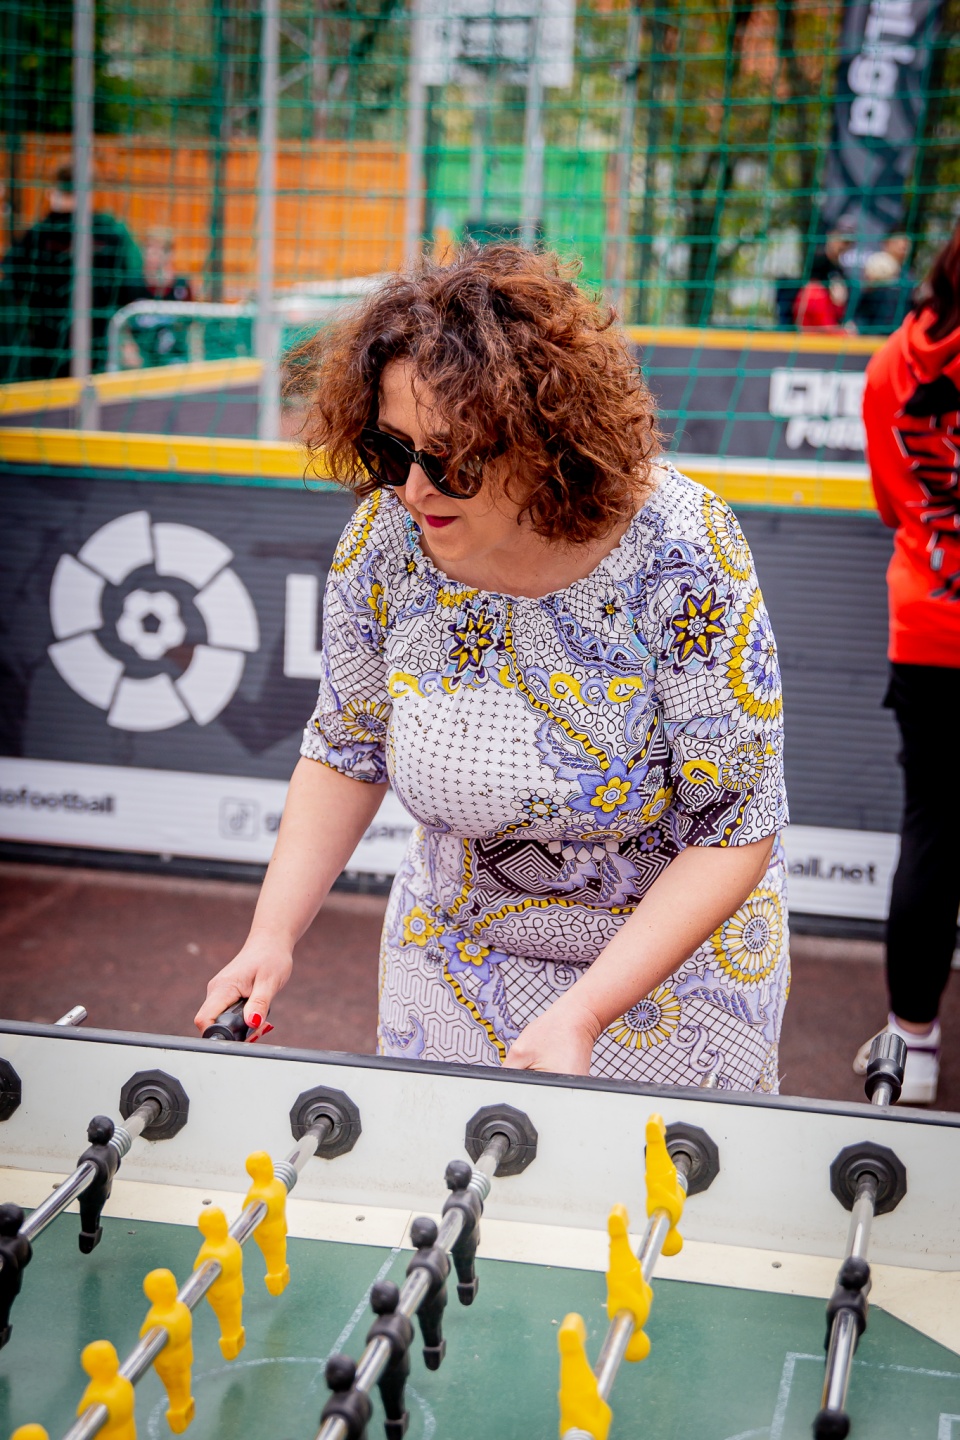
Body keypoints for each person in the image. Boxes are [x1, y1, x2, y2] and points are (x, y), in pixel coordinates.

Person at [195, 245, 790, 1089]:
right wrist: (271, 935)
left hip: (671, 987)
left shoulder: (684, 551)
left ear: (546, 441)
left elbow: (734, 826)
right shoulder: (387, 539)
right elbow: (346, 747)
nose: (414, 489)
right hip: (454, 961)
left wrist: (585, 1012)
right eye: (393, 449)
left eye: (453, 458)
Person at [856, 218, 960, 1104]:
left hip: (928, 629)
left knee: (933, 833)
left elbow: (896, 504)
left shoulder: (893, 360)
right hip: (930, 632)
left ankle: (913, 1046)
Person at [0, 163, 146, 380]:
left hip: (46, 349)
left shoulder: (38, 235)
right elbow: (133, 290)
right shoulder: (111, 232)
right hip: (95, 347)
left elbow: (11, 285)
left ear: (54, 190)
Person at [128, 227, 194, 367]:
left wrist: (195, 362)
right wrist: (128, 349)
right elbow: (121, 325)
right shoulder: (132, 284)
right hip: (140, 360)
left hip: (175, 360)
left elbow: (193, 328)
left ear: (169, 254)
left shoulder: (182, 286)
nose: (151, 253)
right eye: (148, 248)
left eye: (157, 249)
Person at [852, 236, 916, 335]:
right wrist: (868, 286)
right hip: (869, 332)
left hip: (897, 332)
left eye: (906, 242)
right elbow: (858, 304)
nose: (903, 245)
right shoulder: (874, 265)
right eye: (898, 241)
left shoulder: (909, 276)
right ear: (886, 244)